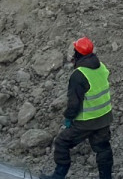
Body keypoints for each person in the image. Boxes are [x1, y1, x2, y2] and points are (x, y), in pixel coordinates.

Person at [40, 37, 113, 179]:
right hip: (104, 117)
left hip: (87, 121)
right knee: (103, 148)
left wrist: (68, 118)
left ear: (77, 54)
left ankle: (58, 175)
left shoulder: (79, 75)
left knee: (62, 142)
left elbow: (74, 104)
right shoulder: (101, 67)